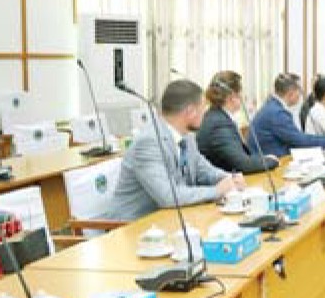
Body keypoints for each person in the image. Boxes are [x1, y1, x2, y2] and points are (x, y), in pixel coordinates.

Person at [104, 80, 245, 221]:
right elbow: (168, 196)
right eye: (203, 109)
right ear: (190, 112)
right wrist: (217, 191)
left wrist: (229, 178)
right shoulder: (149, 142)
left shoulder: (187, 137)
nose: (206, 114)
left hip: (168, 218)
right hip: (132, 226)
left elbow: (204, 170)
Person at [196, 71, 279, 175]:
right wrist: (271, 160)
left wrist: (262, 159)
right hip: (222, 182)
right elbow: (243, 164)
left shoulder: (217, 116)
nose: (242, 96)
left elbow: (240, 157)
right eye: (241, 92)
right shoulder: (219, 123)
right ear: (232, 96)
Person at [251, 73, 325, 157]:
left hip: (270, 156)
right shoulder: (277, 113)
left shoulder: (272, 106)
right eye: (300, 91)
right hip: (270, 161)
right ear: (291, 93)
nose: (300, 95)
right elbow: (298, 140)